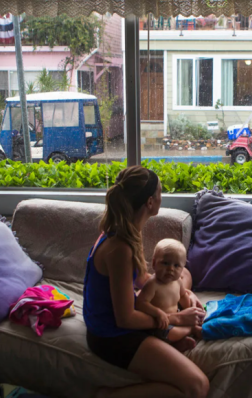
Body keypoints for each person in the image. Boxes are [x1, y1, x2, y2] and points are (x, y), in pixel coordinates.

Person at [84, 165, 209, 398]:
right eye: (161, 191)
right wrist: (177, 317)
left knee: (184, 275)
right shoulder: (120, 248)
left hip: (119, 324)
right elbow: (125, 318)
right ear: (150, 202)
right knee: (197, 387)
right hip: (111, 335)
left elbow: (142, 278)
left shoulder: (128, 231)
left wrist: (183, 292)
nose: (163, 196)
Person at [136, 239, 203, 348]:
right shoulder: (152, 284)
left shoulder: (178, 281)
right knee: (170, 333)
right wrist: (158, 313)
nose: (170, 269)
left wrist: (189, 309)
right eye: (165, 263)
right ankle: (191, 330)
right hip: (159, 324)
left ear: (182, 268)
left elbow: (183, 296)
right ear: (154, 263)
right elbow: (140, 303)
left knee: (189, 320)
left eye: (176, 265)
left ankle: (178, 343)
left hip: (176, 316)